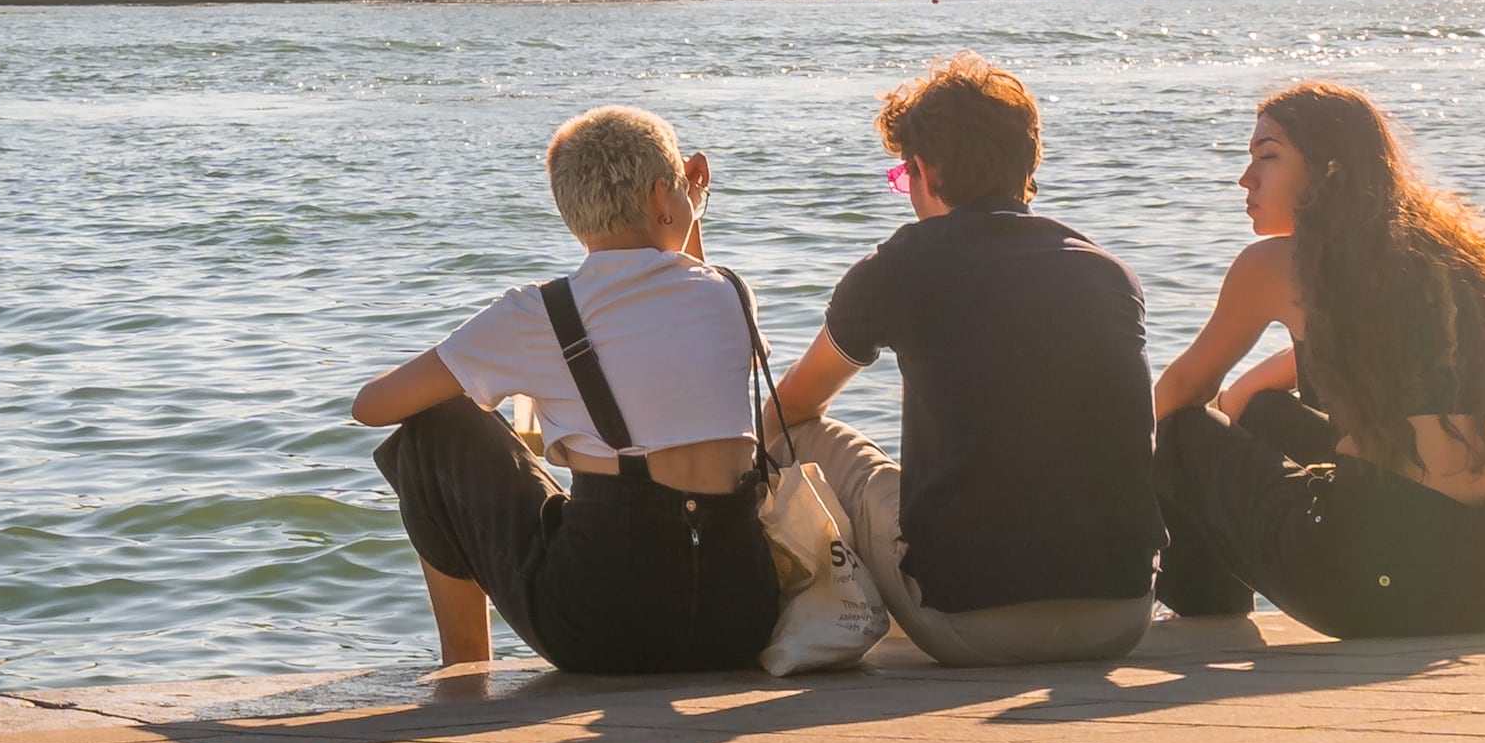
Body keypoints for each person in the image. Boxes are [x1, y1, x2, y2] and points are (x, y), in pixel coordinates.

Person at [350, 106, 787, 680]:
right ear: (667, 193)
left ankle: (463, 671)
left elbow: (370, 407)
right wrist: (687, 207)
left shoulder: (541, 313)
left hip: (605, 627)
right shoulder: (731, 293)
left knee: (434, 426)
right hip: (739, 619)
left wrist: (499, 381)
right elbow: (684, 294)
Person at [759, 55, 1159, 667]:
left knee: (801, 438)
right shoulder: (1106, 272)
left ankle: (778, 616)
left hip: (972, 625)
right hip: (1123, 616)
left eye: (904, 173)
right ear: (1026, 165)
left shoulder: (897, 268)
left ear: (926, 168)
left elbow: (793, 408)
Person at [1153, 83, 1485, 638]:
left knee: (1183, 431)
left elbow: (1181, 390)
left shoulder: (1276, 265)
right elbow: (1369, 359)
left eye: (1267, 158)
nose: (1245, 180)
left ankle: (1204, 612)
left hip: (1369, 586)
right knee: (1264, 414)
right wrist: (1248, 396)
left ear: (1330, 170)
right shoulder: (1443, 259)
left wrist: (1105, 471)